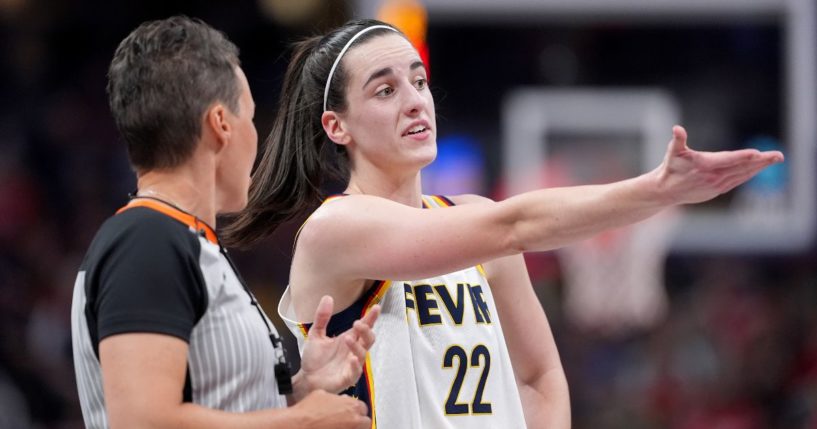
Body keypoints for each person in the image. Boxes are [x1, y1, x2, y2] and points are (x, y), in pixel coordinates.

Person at [223, 19, 784, 429]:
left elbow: (539, 377)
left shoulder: (469, 218)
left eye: (418, 81)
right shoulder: (336, 230)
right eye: (385, 90)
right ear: (336, 126)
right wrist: (654, 191)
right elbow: (515, 224)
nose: (416, 101)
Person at [70, 16, 380, 429]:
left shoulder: (178, 239)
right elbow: (141, 420)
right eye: (250, 118)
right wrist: (301, 421)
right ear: (220, 125)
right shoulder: (146, 241)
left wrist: (302, 387)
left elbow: (211, 406)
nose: (256, 136)